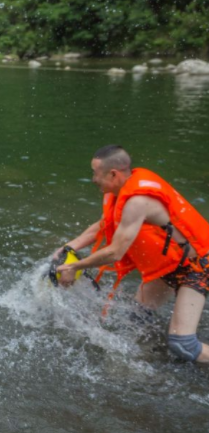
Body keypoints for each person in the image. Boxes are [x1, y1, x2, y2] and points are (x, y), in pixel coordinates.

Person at [55, 145, 209, 363]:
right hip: (172, 263)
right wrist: (69, 247)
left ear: (113, 174)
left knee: (183, 345)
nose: (93, 179)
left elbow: (116, 252)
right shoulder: (119, 193)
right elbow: (104, 224)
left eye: (95, 173)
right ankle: (145, 368)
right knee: (137, 319)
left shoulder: (137, 202)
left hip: (198, 265)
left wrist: (74, 267)